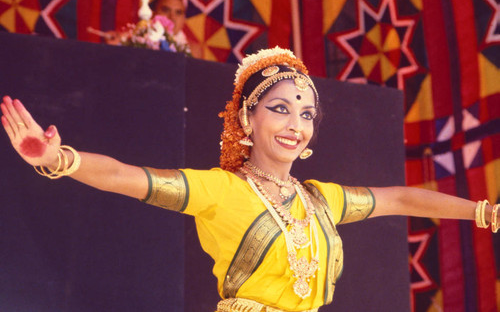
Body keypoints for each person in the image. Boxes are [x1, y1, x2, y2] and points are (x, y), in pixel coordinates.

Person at [1, 47, 497, 311]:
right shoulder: (222, 190)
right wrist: (58, 158)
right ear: (246, 120)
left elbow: (403, 198)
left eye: (305, 115)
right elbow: (129, 178)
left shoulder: (323, 200)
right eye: (279, 109)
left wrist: (478, 211)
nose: (294, 124)